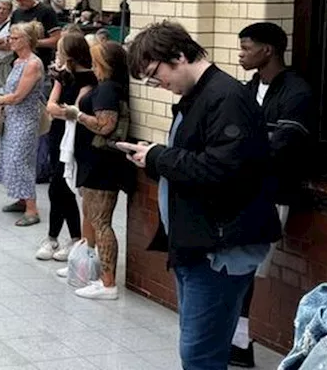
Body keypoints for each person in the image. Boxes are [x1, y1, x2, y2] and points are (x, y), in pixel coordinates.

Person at [124, 21, 282, 370]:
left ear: (178, 56)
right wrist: (152, 157)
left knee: (201, 354)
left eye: (155, 74)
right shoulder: (200, 95)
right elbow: (197, 161)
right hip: (198, 244)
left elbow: (221, 169)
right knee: (199, 347)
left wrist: (157, 157)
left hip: (219, 249)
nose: (158, 85)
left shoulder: (225, 97)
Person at [231, 22, 313, 366]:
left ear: (268, 50)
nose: (240, 55)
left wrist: (244, 146)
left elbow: (285, 142)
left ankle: (238, 343)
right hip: (242, 189)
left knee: (247, 269)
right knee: (237, 269)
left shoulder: (296, 91)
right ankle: (237, 343)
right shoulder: (248, 90)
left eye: (246, 48)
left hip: (272, 192)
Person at [66, 40, 135, 299]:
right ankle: (100, 276)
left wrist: (77, 114)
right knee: (96, 219)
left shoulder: (107, 89)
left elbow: (105, 125)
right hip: (95, 160)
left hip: (101, 163)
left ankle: (108, 283)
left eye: (96, 61)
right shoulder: (108, 86)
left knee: (101, 222)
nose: (93, 66)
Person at [35, 33, 94, 261]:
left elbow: (75, 111)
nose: (56, 54)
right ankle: (55, 238)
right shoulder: (62, 76)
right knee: (57, 187)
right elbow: (52, 106)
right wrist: (63, 111)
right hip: (56, 135)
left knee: (60, 187)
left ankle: (71, 237)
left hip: (74, 138)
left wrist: (64, 111)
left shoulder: (89, 79)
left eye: (60, 50)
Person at [0, 22, 48, 226]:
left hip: (25, 118)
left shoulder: (33, 64)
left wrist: (0, 100)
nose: (10, 40)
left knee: (20, 160)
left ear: (27, 41)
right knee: (10, 157)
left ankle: (32, 209)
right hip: (13, 117)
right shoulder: (17, 62)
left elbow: (18, 96)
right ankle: (21, 199)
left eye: (15, 38)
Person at [10, 0, 62, 67]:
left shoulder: (46, 11)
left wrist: (33, 42)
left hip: (40, 62)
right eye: (17, 0)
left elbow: (56, 39)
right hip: (19, 62)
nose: (20, 3)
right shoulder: (16, 13)